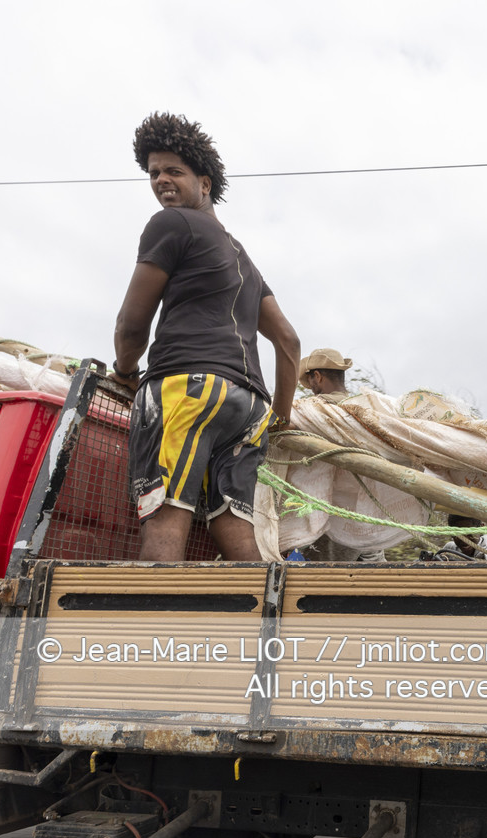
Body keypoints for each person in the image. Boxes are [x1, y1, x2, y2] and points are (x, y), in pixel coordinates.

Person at [111, 112, 300, 562]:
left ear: (205, 183)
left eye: (174, 171)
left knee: (165, 511)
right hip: (248, 407)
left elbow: (131, 326)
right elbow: (289, 341)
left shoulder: (171, 224)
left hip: (187, 390)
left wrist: (125, 371)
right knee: (233, 523)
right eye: (154, 173)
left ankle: (152, 610)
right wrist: (280, 416)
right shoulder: (241, 257)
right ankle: (256, 609)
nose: (161, 181)